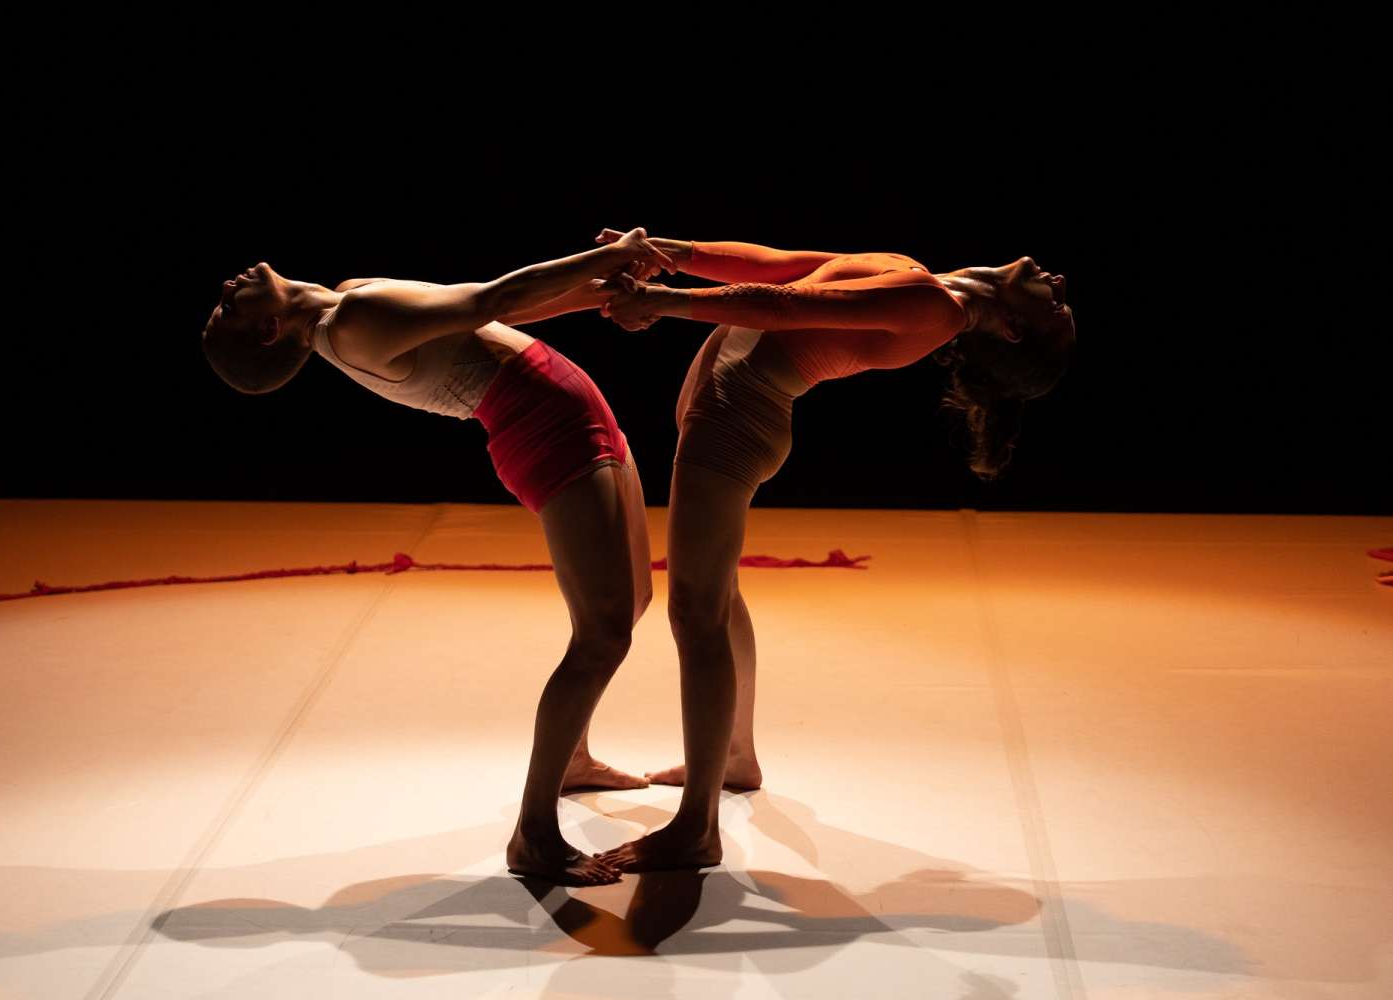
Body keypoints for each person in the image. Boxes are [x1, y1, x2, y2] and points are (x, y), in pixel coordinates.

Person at [201, 230, 676, 885]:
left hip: (578, 421)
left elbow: (486, 314)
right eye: (229, 308)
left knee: (634, 599)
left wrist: (594, 294)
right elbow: (493, 297)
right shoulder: (357, 321)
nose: (227, 288)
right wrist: (610, 255)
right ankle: (534, 835)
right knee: (603, 635)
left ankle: (572, 761)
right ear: (267, 330)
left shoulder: (351, 297)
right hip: (552, 435)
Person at [591, 233, 1075, 872]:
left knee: (695, 611)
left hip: (735, 422)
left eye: (1057, 309)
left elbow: (784, 309)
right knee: (716, 595)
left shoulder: (932, 306)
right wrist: (674, 253)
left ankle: (697, 826)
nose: (1060, 284)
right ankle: (735, 758)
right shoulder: (923, 279)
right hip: (725, 411)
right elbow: (782, 268)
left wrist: (662, 301)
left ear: (1012, 329)